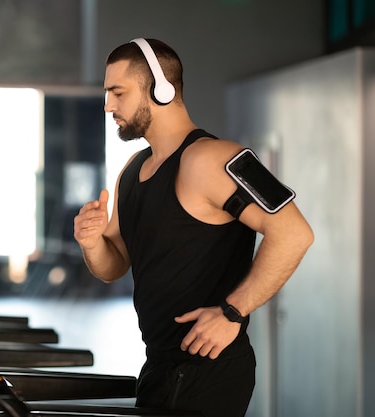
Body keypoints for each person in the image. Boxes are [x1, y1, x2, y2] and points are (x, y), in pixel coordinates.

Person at [73, 38, 314, 417]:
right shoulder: (133, 170)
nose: (108, 105)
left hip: (208, 368)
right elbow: (114, 266)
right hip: (159, 365)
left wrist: (233, 313)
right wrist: (91, 243)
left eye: (118, 92)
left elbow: (295, 232)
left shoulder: (214, 159)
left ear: (160, 89)